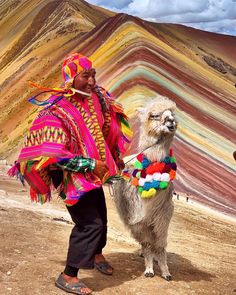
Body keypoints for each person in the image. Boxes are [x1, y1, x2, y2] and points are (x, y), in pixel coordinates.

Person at [9, 53, 132, 294]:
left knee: (102, 216)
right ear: (70, 79)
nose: (92, 81)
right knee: (89, 223)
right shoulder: (55, 111)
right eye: (85, 76)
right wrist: (90, 165)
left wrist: (112, 156)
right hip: (67, 175)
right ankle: (68, 274)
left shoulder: (97, 99)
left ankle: (96, 254)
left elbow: (107, 125)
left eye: (93, 74)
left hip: (92, 171)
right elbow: (55, 156)